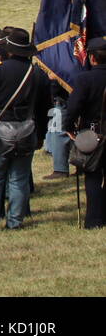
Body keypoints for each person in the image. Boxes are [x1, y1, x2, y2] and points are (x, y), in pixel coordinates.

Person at [0, 28, 49, 233]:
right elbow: (44, 109)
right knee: (19, 179)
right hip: (27, 130)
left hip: (0, 131)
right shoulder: (38, 74)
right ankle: (15, 221)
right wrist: (40, 136)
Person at [65, 37, 106, 228]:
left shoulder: (85, 79)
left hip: (93, 133)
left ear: (91, 57)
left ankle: (95, 220)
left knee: (93, 175)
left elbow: (73, 108)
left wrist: (68, 127)